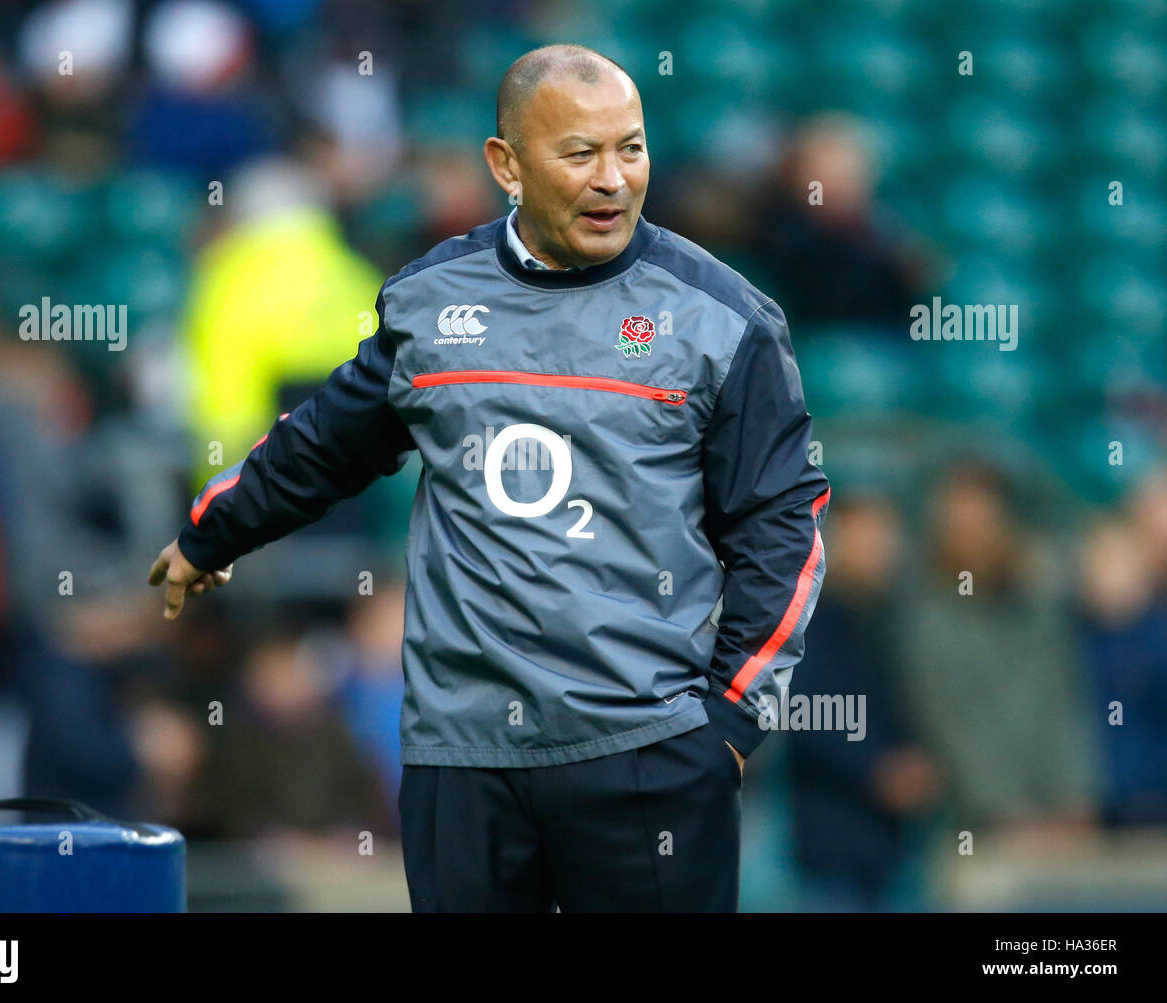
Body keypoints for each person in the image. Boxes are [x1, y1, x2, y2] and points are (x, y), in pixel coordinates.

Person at [148, 44, 830, 912]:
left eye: (631, 147)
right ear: (505, 164)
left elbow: (782, 521)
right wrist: (214, 533)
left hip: (648, 753)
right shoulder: (431, 301)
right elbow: (324, 442)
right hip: (463, 762)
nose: (613, 178)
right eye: (580, 153)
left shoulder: (723, 319)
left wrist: (727, 725)